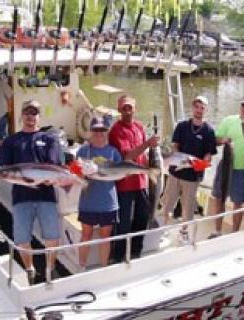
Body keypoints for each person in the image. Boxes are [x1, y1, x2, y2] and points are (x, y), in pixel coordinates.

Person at [0, 100, 62, 285]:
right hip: (21, 198)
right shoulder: (11, 141)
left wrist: (54, 178)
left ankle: (50, 268)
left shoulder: (49, 139)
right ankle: (30, 270)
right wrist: (5, 175)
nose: (30, 116)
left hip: (46, 195)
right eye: (27, 112)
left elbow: (54, 165)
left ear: (39, 116)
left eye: (34, 112)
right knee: (21, 238)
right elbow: (2, 168)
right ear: (21, 115)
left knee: (52, 236)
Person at [109, 94, 158, 262]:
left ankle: (136, 253)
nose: (127, 110)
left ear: (135, 108)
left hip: (142, 183)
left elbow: (144, 154)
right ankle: (117, 257)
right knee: (123, 224)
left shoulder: (139, 127)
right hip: (125, 185)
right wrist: (147, 144)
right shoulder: (116, 130)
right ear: (119, 110)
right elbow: (127, 157)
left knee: (142, 219)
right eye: (124, 107)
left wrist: (152, 149)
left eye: (130, 107)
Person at [162, 95, 217, 240]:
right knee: (167, 203)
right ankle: (163, 230)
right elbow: (175, 147)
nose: (199, 110)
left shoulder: (209, 131)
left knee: (188, 208)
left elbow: (208, 154)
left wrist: (203, 164)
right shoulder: (182, 126)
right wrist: (175, 161)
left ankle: (183, 232)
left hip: (193, 177)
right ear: (192, 108)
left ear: (206, 110)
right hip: (175, 173)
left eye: (202, 108)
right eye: (196, 107)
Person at [210, 94, 244, 235]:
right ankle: (217, 230)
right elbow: (215, 139)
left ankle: (234, 233)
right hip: (225, 166)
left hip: (243, 170)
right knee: (219, 198)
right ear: (240, 106)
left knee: (238, 202)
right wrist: (223, 140)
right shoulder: (229, 120)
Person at [76, 116, 122, 269]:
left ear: (107, 132)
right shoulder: (83, 151)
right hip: (88, 202)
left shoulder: (113, 152)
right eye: (96, 130)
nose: (99, 133)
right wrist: (83, 173)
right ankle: (81, 266)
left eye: (102, 130)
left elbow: (119, 175)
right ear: (90, 132)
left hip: (108, 203)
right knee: (86, 235)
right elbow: (77, 175)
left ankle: (103, 267)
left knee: (105, 237)